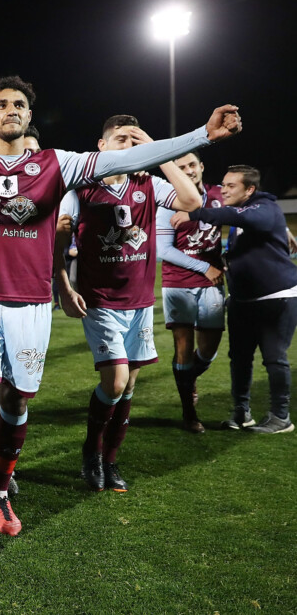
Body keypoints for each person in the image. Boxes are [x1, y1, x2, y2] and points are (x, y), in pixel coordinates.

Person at [0, 75, 240, 567]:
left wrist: (201, 136)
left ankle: (2, 490)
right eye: (1, 104)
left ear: (29, 114)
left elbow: (130, 161)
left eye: (20, 103)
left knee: (18, 400)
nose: (11, 109)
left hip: (30, 305)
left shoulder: (57, 163)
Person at [54, 115, 203, 493]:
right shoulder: (81, 186)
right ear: (101, 147)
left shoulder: (147, 183)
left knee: (128, 387)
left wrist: (157, 150)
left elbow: (191, 200)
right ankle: (91, 450)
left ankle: (110, 460)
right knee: (116, 380)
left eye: (134, 142)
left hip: (139, 302)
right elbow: (59, 233)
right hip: (100, 300)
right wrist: (64, 286)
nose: (128, 147)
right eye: (120, 139)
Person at [170, 166, 297, 434]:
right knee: (239, 358)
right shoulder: (246, 214)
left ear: (249, 190)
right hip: (242, 300)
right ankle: (241, 412)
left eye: (231, 186)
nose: (224, 190)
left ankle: (280, 417)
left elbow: (249, 218)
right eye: (223, 185)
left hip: (275, 298)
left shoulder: (265, 207)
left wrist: (193, 214)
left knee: (274, 358)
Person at [156, 151, 225, 433]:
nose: (188, 170)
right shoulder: (168, 201)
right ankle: (189, 411)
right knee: (182, 346)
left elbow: (249, 210)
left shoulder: (219, 194)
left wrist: (282, 227)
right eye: (181, 167)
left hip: (212, 282)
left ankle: (187, 378)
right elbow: (163, 250)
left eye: (192, 165)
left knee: (209, 349)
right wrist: (203, 267)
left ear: (201, 166)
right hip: (178, 282)